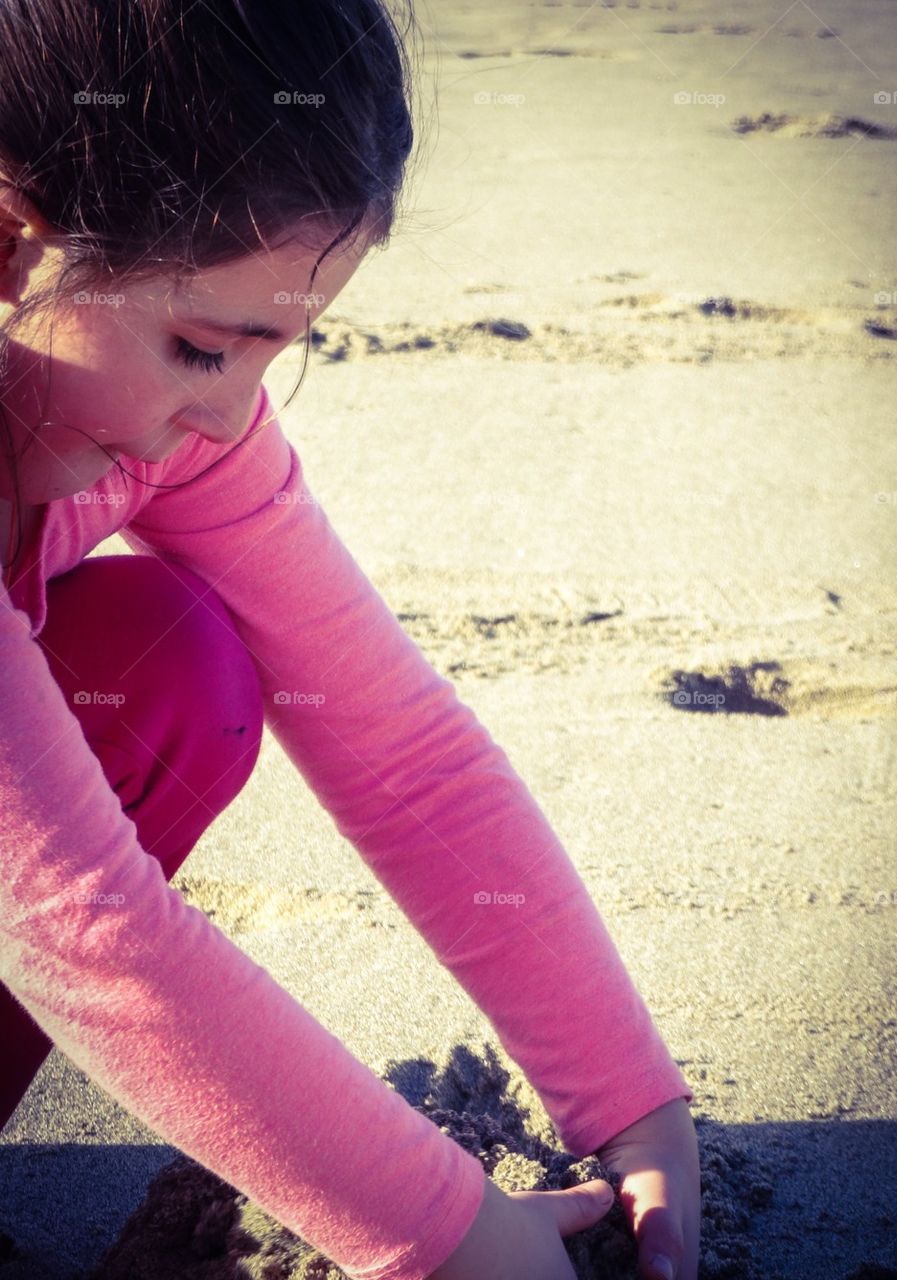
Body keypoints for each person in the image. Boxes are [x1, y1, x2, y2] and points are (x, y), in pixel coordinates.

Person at [0, 1, 701, 1277]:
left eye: (271, 356)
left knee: (165, 660)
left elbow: (398, 743)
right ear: (11, 238)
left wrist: (631, 1101)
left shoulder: (176, 434)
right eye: (205, 346)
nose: (224, 419)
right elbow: (79, 920)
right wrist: (452, 1235)